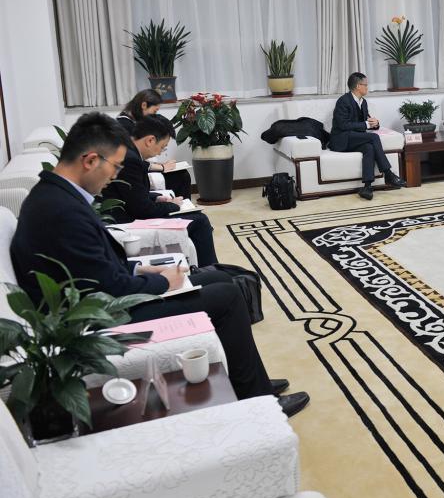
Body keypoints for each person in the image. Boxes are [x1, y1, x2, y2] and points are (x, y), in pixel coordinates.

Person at [10, 112, 309, 416]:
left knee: (219, 278)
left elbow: (91, 269)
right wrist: (164, 281)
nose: (114, 177)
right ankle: (257, 400)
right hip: (99, 320)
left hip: (105, 299)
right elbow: (110, 288)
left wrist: (141, 269)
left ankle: (251, 380)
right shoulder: (61, 210)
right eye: (115, 166)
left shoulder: (56, 195)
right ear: (90, 161)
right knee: (227, 296)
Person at [102, 114, 218, 267]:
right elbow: (143, 210)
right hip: (127, 224)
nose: (161, 152)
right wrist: (173, 206)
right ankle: (212, 270)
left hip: (130, 213)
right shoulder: (130, 160)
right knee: (200, 221)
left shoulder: (128, 152)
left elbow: (131, 194)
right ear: (150, 140)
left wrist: (157, 198)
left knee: (196, 217)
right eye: (163, 147)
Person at [329, 72, 406, 200]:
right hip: (341, 139)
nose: (367, 87)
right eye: (365, 85)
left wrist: (375, 124)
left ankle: (367, 187)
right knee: (373, 138)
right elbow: (343, 125)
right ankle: (388, 174)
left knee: (369, 148)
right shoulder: (343, 101)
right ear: (358, 86)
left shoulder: (363, 102)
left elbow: (367, 122)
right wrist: (365, 124)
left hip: (354, 138)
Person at [117, 89, 191, 200]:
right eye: (155, 111)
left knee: (181, 174)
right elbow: (132, 160)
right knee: (181, 176)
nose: (154, 116)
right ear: (144, 105)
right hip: (135, 172)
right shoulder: (125, 125)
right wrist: (161, 167)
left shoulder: (132, 122)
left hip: (141, 168)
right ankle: (182, 206)